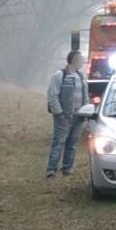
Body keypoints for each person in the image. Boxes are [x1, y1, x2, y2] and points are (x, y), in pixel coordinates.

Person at [46, 50, 89, 178]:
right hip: (64, 116)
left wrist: (86, 111)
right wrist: (59, 113)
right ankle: (51, 169)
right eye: (80, 59)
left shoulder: (81, 76)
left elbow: (85, 96)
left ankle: (67, 167)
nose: (82, 62)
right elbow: (52, 95)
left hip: (78, 116)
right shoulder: (59, 75)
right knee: (59, 142)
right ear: (73, 59)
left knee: (72, 143)